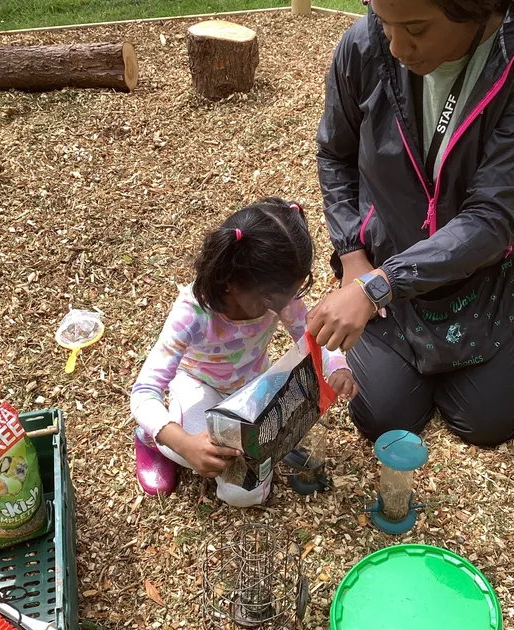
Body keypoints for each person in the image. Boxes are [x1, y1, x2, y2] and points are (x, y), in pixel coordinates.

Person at [309, 0, 514, 446]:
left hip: (478, 277)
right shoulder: (365, 43)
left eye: (415, 28)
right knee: (383, 418)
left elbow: (494, 216)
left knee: (489, 424)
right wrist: (353, 257)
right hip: (380, 262)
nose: (396, 46)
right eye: (384, 22)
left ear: (478, 8)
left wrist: (376, 289)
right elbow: (335, 154)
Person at [131, 197, 357, 507]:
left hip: (253, 389)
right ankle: (152, 441)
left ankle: (186, 444)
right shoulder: (192, 314)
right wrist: (183, 444)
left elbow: (311, 334)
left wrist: (337, 366)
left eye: (291, 295)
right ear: (229, 283)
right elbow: (144, 392)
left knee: (242, 493)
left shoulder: (277, 296)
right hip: (201, 386)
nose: (282, 307)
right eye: (270, 300)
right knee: (201, 452)